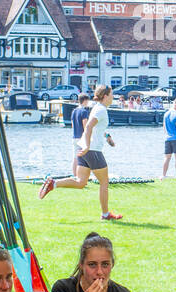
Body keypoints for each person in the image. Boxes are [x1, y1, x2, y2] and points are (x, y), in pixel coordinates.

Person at [39, 84, 122, 222]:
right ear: (106, 96)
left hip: (83, 148)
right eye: (112, 94)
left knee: (81, 182)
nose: (113, 97)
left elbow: (94, 129)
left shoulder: (97, 108)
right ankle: (106, 214)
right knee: (104, 182)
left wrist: (105, 138)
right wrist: (88, 146)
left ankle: (54, 183)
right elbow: (89, 127)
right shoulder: (101, 110)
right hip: (92, 149)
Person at [161, 96, 176, 178]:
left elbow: (164, 127)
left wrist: (168, 135)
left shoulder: (166, 114)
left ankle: (163, 175)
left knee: (167, 158)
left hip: (167, 139)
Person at [70, 93, 91, 177]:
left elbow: (72, 125)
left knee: (75, 158)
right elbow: (85, 126)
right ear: (85, 101)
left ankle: (75, 175)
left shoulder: (74, 111)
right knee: (85, 157)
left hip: (74, 137)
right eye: (88, 101)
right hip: (82, 138)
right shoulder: (84, 112)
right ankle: (83, 176)